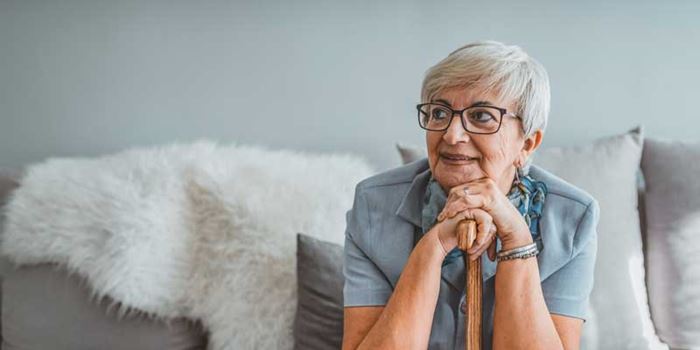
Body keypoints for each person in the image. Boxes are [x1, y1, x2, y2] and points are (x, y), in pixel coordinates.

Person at [341, 40, 599, 350]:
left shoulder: (572, 219)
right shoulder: (373, 207)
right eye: (439, 113)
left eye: (481, 116)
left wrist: (517, 241)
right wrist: (434, 245)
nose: (451, 135)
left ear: (527, 143)